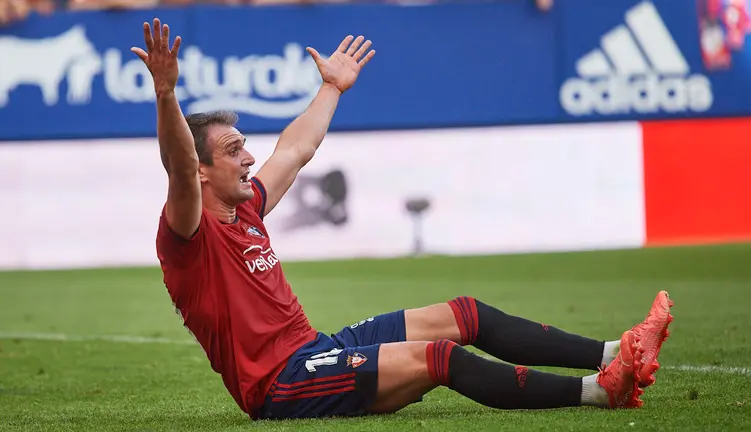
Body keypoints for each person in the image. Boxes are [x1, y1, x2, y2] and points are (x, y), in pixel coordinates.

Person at [133, 18, 675, 420]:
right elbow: (179, 164)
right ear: (202, 173)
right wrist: (165, 95)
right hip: (281, 384)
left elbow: (294, 150)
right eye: (233, 151)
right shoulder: (189, 231)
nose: (248, 157)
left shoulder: (247, 205)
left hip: (316, 349)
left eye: (244, 146)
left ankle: (615, 352)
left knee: (464, 314)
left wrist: (330, 89)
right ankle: (600, 390)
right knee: (438, 358)